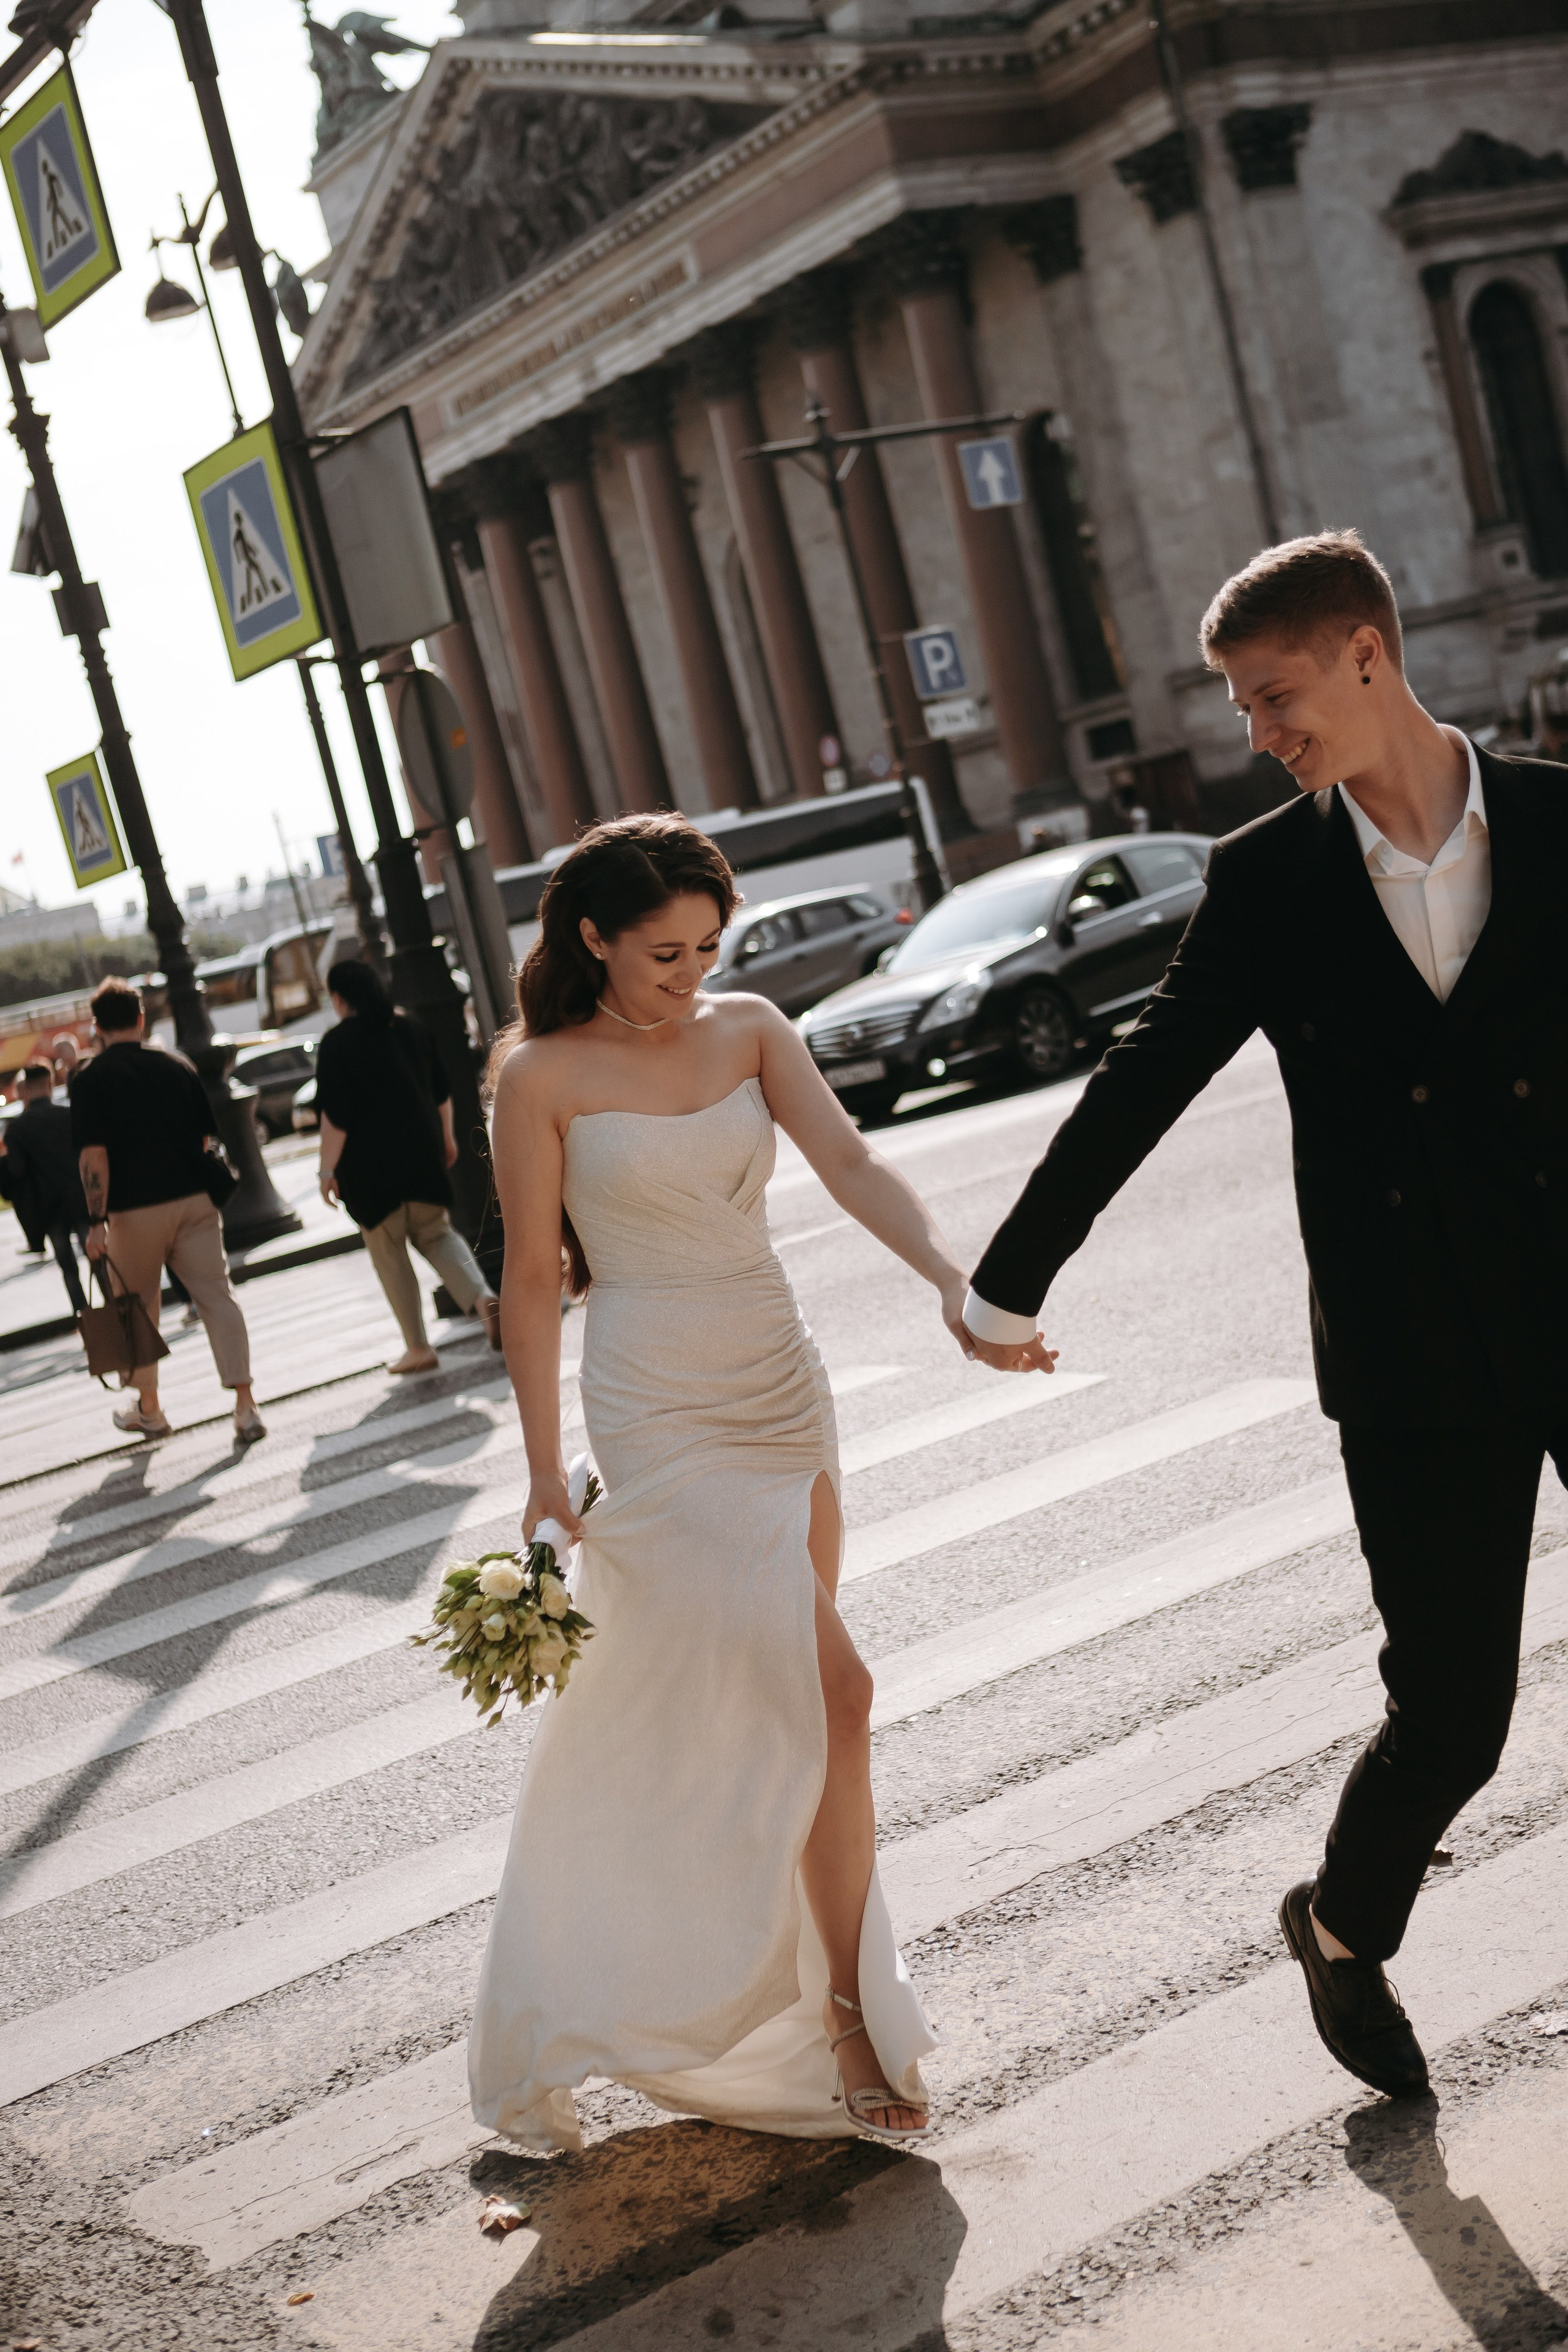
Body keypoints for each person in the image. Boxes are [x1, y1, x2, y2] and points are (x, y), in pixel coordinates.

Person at [959, 528, 1567, 2103]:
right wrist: (1010, 1269)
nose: (1256, 731)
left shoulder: (1561, 818)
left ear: (1367, 652)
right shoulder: (1264, 879)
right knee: (1450, 1718)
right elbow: (1144, 1073)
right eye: (1238, 704)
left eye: (1272, 692)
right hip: (1413, 1346)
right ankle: (1342, 1925)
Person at [469, 812, 975, 2155]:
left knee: (801, 1718)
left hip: (776, 1379)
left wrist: (951, 1281)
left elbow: (852, 1162)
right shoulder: (540, 1077)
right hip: (657, 1405)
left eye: (705, 947)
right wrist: (536, 1471)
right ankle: (852, 2021)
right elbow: (530, 1276)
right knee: (839, 1690)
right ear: (590, 936)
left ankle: (824, 2001)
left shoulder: (750, 1027)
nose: (689, 973)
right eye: (660, 953)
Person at [72, 977, 265, 1444]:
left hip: (133, 1212)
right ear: (141, 1020)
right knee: (218, 1297)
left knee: (135, 1310)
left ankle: (151, 1409)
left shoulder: (91, 1079)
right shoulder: (178, 1066)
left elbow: (94, 1157)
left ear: (97, 1028)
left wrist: (96, 1222)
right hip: (194, 1201)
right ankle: (245, 1405)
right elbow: (204, 1139)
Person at [314, 959, 500, 1374]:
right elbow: (441, 1091)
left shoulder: (337, 1043)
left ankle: (418, 1347)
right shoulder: (411, 1028)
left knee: (389, 1253)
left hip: (370, 1172)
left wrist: (327, 1172)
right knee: (438, 1234)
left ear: (340, 997)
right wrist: (448, 1139)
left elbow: (336, 1117)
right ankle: (481, 1295)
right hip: (422, 1156)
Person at [3, 1062, 90, 1317]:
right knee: (98, 1257)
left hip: (49, 1208)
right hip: (80, 1199)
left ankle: (85, 1321)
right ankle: (117, 1316)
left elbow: (16, 1171)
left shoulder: (17, 1129)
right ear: (51, 1084)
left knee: (68, 1267)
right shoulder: (70, 1115)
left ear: (25, 1090)